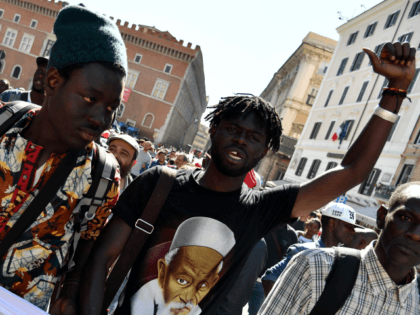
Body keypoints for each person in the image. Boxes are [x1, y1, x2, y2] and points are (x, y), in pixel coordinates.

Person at [80, 41, 416, 315]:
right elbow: (102, 258)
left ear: (266, 150)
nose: (241, 140)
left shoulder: (261, 209)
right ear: (213, 130)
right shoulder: (158, 183)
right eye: (233, 129)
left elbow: (351, 172)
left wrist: (394, 92)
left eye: (254, 137)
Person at [0, 4, 127, 312]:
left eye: (112, 107)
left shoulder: (102, 176)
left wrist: (70, 292)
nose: (101, 119)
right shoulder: (3, 125)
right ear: (54, 81)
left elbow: (87, 244)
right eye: (90, 99)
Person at [259, 182, 420, 315]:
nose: (416, 234)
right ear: (381, 217)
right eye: (406, 218)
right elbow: (269, 277)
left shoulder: (416, 300)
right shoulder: (315, 264)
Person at [130, 217, 235, 315]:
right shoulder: (144, 297)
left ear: (213, 283)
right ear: (163, 272)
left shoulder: (199, 309)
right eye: (182, 281)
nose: (188, 297)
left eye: (203, 285)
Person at [261, 202, 358, 296]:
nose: (353, 231)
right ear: (332, 224)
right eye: (348, 226)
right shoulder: (303, 251)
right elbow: (269, 278)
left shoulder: (341, 260)